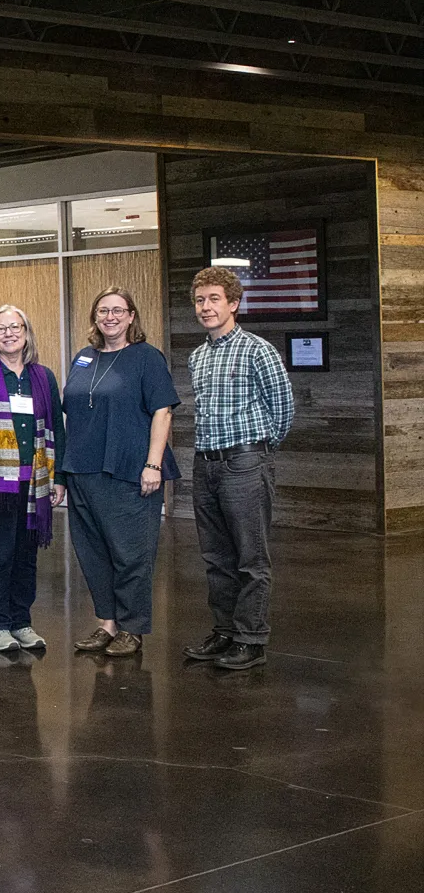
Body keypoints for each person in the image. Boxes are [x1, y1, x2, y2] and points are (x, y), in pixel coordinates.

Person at [183, 267, 294, 671]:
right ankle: (225, 631)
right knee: (216, 557)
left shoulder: (257, 349)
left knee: (251, 557)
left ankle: (251, 639)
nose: (206, 307)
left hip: (245, 461)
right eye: (200, 300)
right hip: (205, 463)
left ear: (233, 303)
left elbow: (283, 410)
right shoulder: (198, 356)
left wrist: (257, 451)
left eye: (214, 299)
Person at [63, 287, 178, 659]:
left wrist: (153, 464)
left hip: (129, 471)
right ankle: (106, 624)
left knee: (131, 554)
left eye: (118, 310)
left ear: (131, 317)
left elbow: (163, 412)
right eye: (102, 311)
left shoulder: (146, 358)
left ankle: (132, 628)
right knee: (93, 552)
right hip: (83, 469)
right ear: (95, 317)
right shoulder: (83, 358)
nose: (109, 317)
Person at [0, 304, 66, 653]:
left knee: (26, 556)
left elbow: (57, 430)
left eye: (14, 327)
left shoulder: (43, 376)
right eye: (0, 329)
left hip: (35, 483)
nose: (8, 333)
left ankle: (21, 621)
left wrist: (59, 478)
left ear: (26, 332)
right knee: (1, 554)